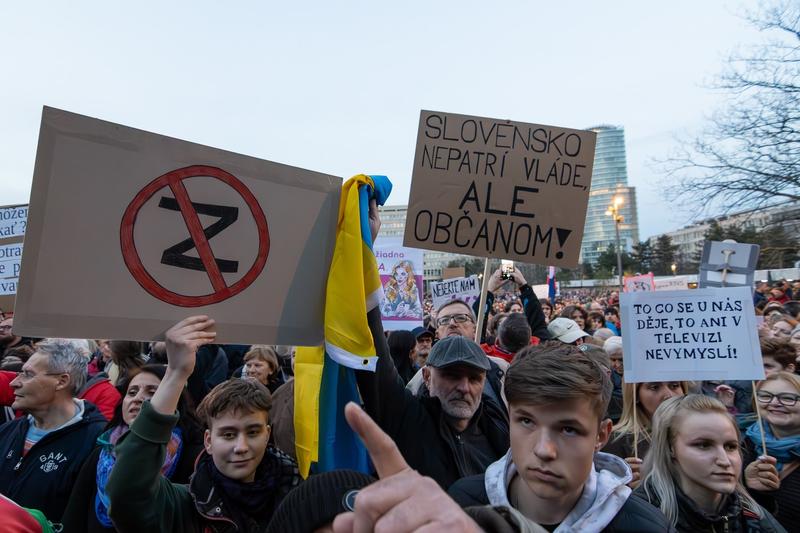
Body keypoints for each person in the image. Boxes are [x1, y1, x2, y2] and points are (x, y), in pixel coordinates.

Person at [447, 343, 672, 532]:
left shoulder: (646, 527)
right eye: (526, 421)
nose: (544, 450)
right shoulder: (462, 504)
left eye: (568, 429)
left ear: (601, 435)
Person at [106, 316, 301, 532]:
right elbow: (125, 496)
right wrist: (175, 374)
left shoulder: (299, 498)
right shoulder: (183, 507)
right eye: (228, 434)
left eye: (253, 432)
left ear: (267, 435)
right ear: (208, 441)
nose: (241, 446)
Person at [356, 323, 509, 489]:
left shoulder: (497, 425)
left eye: (474, 379)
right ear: (427, 376)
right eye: (452, 376)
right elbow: (377, 361)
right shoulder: (407, 418)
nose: (464, 388)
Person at [61, 364, 204, 532]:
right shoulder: (101, 452)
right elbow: (74, 517)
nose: (138, 398)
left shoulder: (194, 456)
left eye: (152, 392)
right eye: (132, 392)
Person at [635, 394, 783, 532]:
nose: (724, 461)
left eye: (730, 446)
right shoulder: (637, 517)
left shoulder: (754, 516)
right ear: (670, 448)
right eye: (704, 445)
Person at [0, 339, 106, 523]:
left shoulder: (97, 443)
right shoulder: (7, 431)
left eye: (27, 374)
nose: (14, 383)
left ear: (62, 381)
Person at [742, 372, 800, 532]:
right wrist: (746, 486)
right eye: (766, 396)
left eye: (788, 398)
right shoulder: (742, 444)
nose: (774, 403)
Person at [603, 381, 688, 487]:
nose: (668, 395)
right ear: (636, 395)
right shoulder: (615, 441)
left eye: (675, 386)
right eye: (654, 387)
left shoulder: (699, 435)